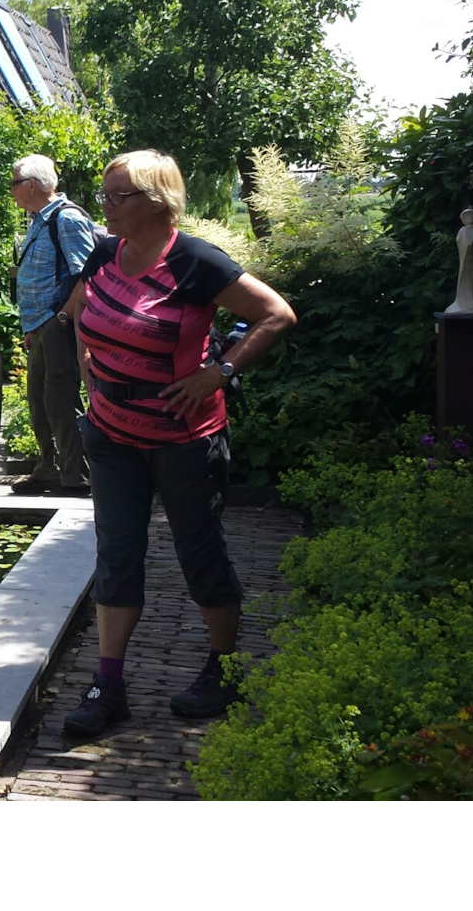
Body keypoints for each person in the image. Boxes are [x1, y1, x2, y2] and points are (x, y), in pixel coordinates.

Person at [60, 150, 296, 737]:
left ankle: (223, 670)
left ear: (156, 201)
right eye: (105, 194)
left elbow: (277, 315)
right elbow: (80, 312)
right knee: (117, 556)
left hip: (185, 440)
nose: (105, 206)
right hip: (111, 435)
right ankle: (108, 686)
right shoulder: (105, 251)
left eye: (117, 196)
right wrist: (91, 372)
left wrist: (219, 372)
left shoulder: (194, 261)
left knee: (200, 554)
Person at [9, 155, 94, 495]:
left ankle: (75, 478)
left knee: (60, 401)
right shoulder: (38, 220)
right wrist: (33, 327)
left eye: (15, 183)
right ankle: (48, 470)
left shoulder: (66, 218)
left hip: (59, 323)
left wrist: (62, 317)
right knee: (39, 402)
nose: (12, 191)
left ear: (32, 184)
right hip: (41, 326)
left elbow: (88, 275)